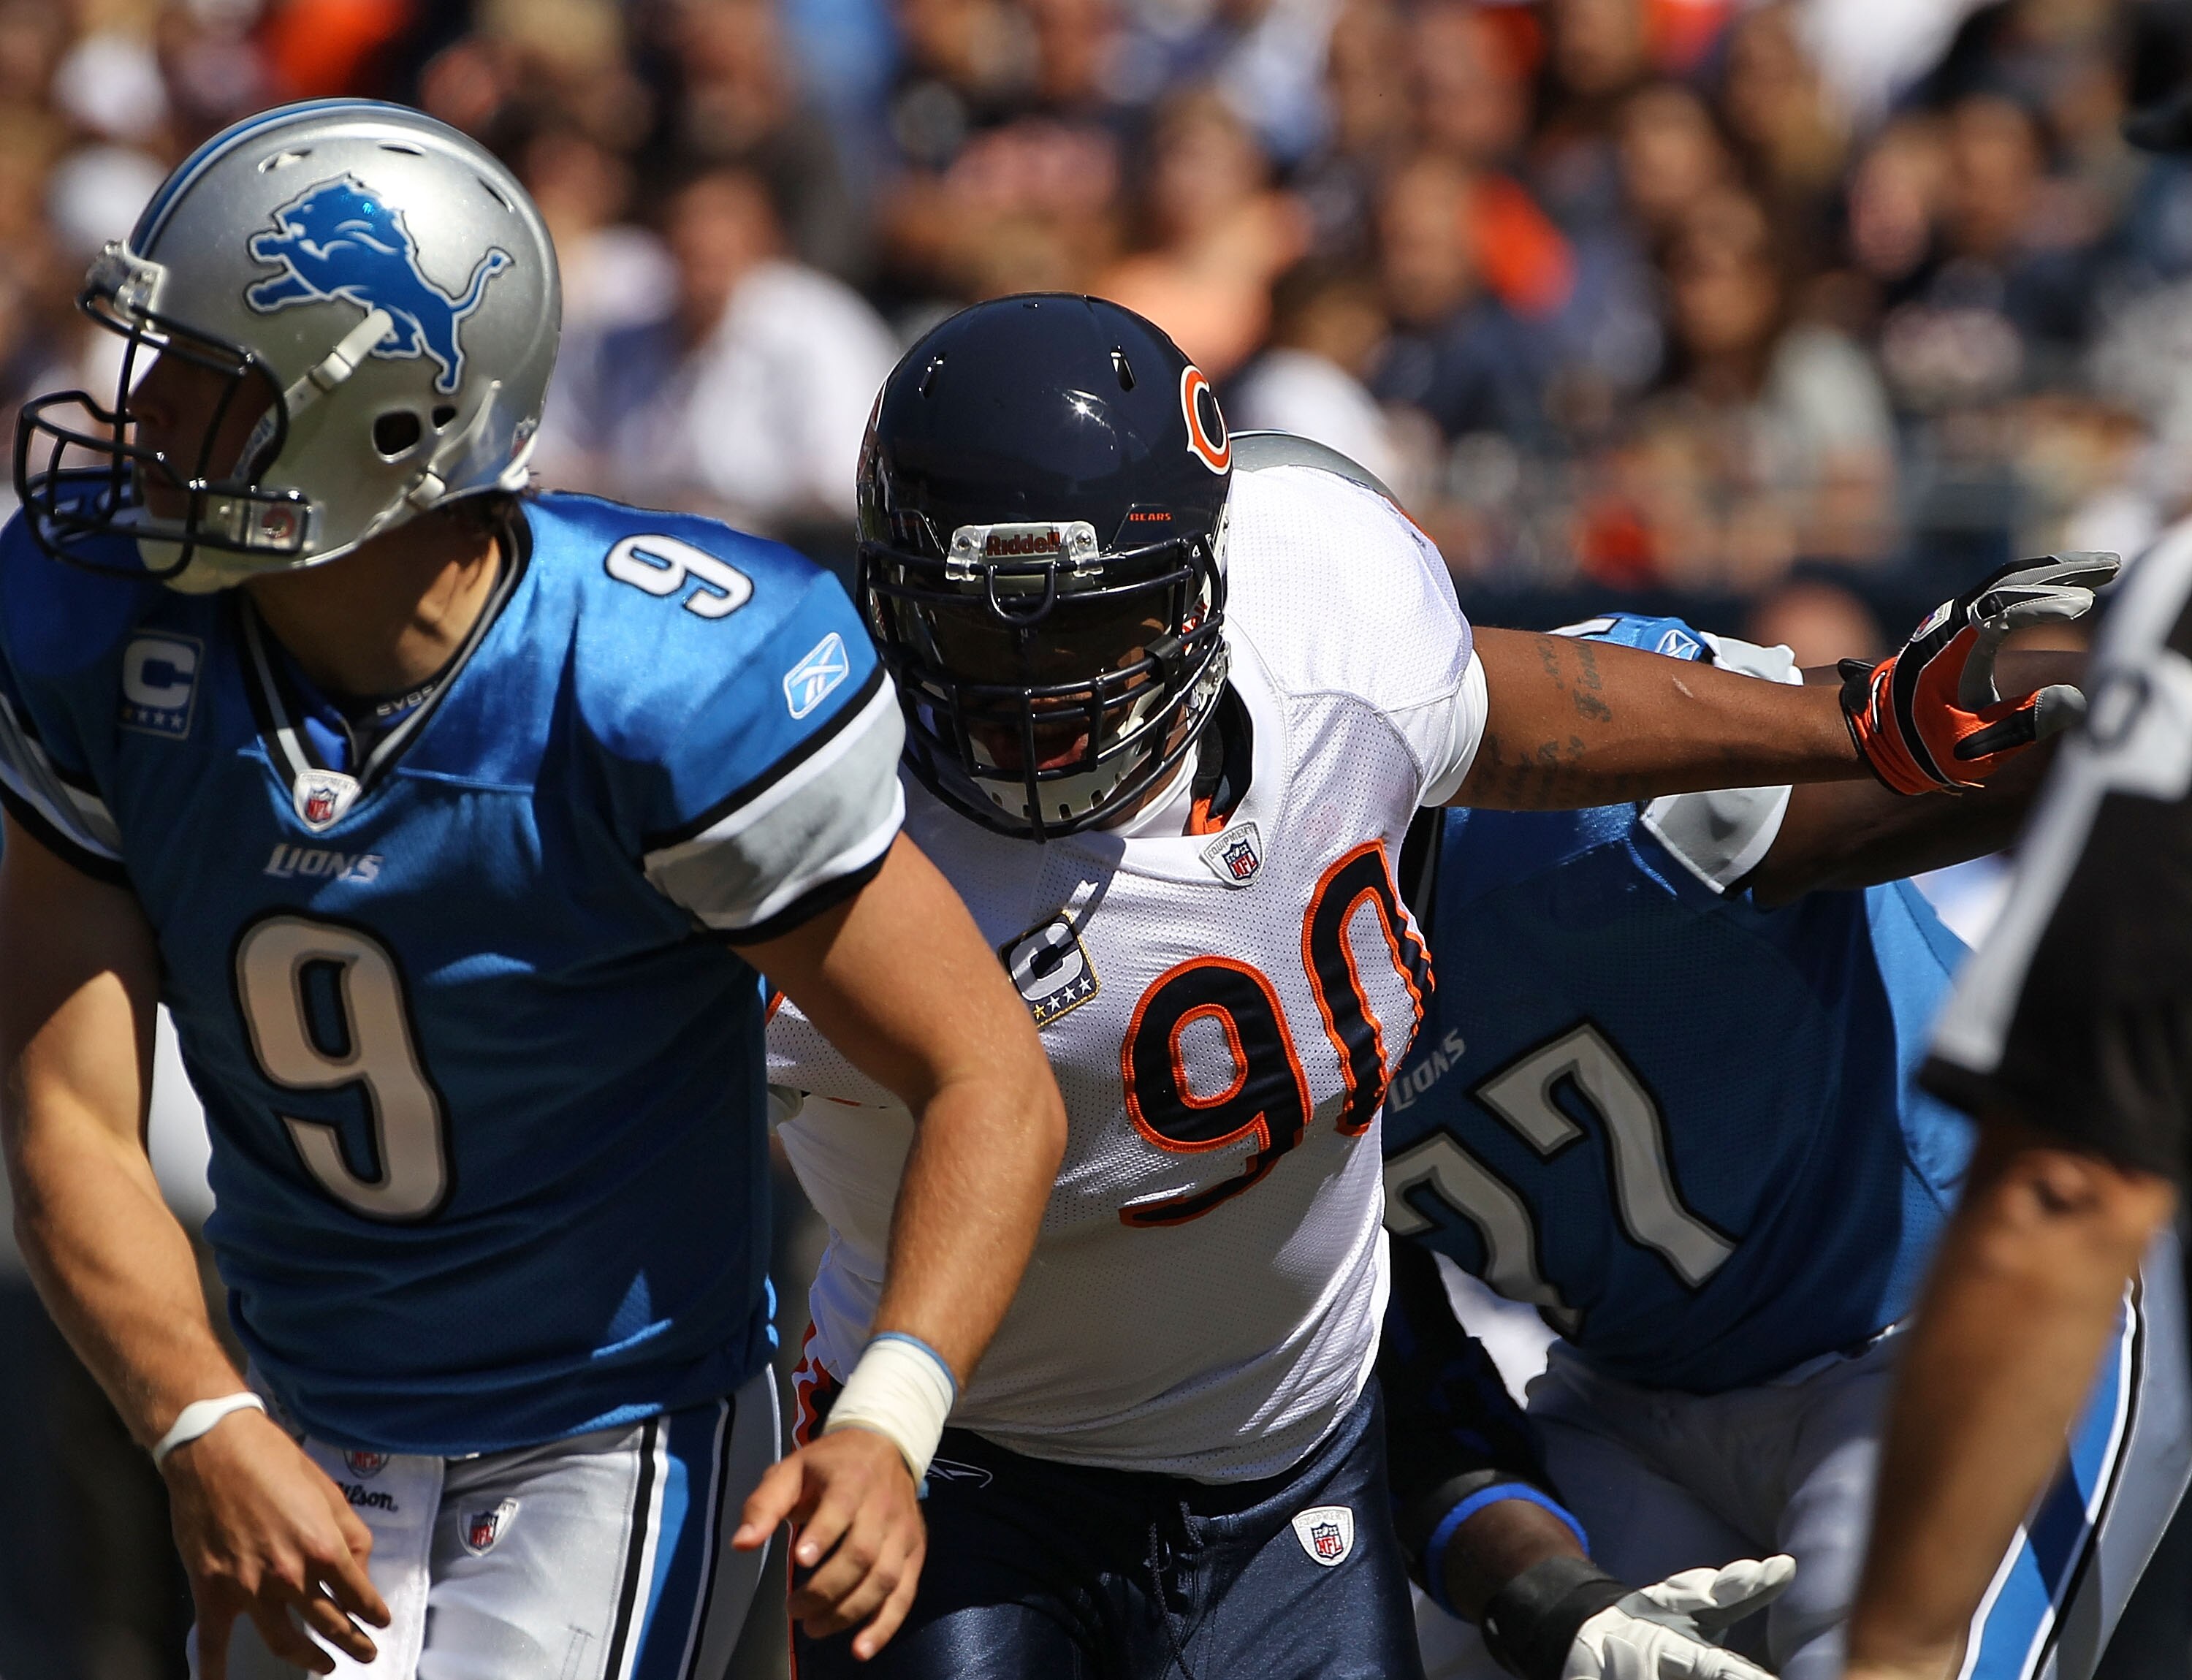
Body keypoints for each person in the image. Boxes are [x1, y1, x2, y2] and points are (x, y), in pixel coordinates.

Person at [763, 292, 2077, 1679]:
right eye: (979, 634)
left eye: (1095, 630)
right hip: (1031, 1452)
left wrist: (1868, 715)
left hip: (1365, 1444)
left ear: (1212, 585)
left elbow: (1505, 710)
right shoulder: (827, 813)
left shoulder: (1335, 622)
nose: (1036, 692)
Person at [0, 100, 1068, 1679]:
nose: (135, 421)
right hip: (300, 1407)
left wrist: (894, 1417)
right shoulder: (106, 636)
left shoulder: (653, 681)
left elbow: (988, 1073)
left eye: (202, 387)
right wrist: (196, 1417)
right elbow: (68, 1114)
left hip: (606, 1433)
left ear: (380, 426)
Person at [1377, 590, 2191, 1680]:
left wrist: (2046, 691)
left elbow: (2010, 734)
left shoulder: (1578, 798)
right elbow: (1367, 1366)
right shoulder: (1177, 986)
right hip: (1624, 1405)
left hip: (1940, 1325)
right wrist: (1542, 1594)